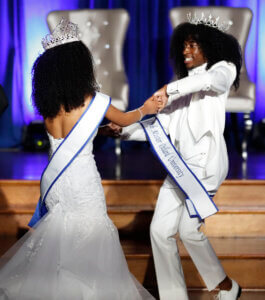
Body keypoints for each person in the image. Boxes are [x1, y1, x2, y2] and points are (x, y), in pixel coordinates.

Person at [0, 19, 162, 299]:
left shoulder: (48, 107)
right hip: (82, 184)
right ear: (79, 66)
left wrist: (99, 130)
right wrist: (145, 108)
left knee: (60, 241)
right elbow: (124, 119)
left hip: (56, 183)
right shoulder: (91, 100)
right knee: (90, 236)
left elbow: (68, 137)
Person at [117, 15, 242, 300]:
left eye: (192, 45)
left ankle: (225, 287)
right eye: (183, 46)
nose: (186, 51)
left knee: (188, 230)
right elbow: (157, 127)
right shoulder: (183, 85)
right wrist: (121, 131)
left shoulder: (224, 69)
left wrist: (167, 90)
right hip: (179, 168)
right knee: (160, 231)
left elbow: (211, 81)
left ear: (209, 46)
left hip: (205, 166)